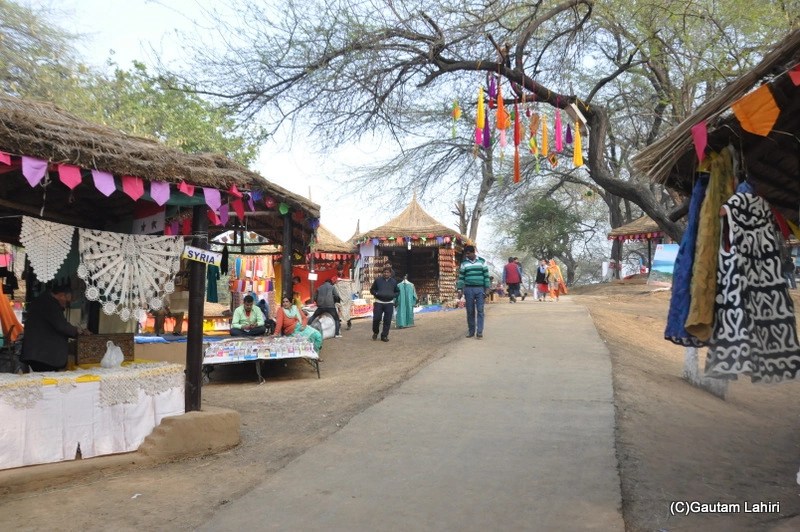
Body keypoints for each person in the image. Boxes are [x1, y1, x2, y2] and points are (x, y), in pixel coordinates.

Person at [21, 285, 91, 372]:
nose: (65, 306)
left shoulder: (44, 300)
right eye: (67, 302)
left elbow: (58, 324)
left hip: (38, 354)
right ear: (61, 295)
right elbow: (61, 325)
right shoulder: (49, 303)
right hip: (43, 355)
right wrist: (78, 331)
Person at [456, 245, 490, 339]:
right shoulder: (464, 263)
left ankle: (479, 332)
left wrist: (487, 289)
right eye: (466, 254)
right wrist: (459, 289)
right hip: (468, 289)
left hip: (480, 289)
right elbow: (461, 278)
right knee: (470, 311)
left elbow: (486, 276)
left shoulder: (482, 261)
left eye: (468, 253)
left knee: (480, 310)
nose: (467, 255)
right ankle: (471, 331)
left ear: (473, 252)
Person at [370, 265, 399, 342]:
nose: (386, 274)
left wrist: (393, 295)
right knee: (376, 318)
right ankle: (375, 332)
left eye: (388, 272)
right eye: (385, 272)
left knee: (387, 320)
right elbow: (372, 290)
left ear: (390, 273)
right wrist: (376, 293)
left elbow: (397, 291)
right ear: (383, 273)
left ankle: (384, 336)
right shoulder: (378, 280)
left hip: (389, 303)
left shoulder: (394, 282)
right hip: (379, 302)